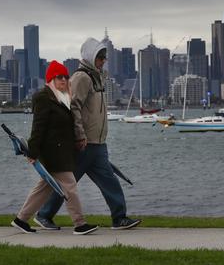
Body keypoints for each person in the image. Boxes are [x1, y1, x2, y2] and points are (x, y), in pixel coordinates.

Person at [35, 38, 141, 230]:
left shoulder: (97, 77)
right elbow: (73, 106)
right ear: (91, 57)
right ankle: (44, 214)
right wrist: (79, 135)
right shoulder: (82, 77)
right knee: (68, 183)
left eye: (104, 57)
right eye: (100, 57)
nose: (103, 60)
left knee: (109, 182)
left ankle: (119, 218)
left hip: (97, 143)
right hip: (84, 143)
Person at [11, 60, 98, 235]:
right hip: (52, 153)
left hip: (61, 151)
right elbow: (38, 127)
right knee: (70, 185)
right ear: (51, 79)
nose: (64, 81)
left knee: (44, 187)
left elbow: (65, 126)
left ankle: (21, 219)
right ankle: (80, 224)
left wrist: (78, 139)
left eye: (66, 77)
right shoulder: (44, 97)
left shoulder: (62, 98)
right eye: (59, 77)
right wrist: (33, 152)